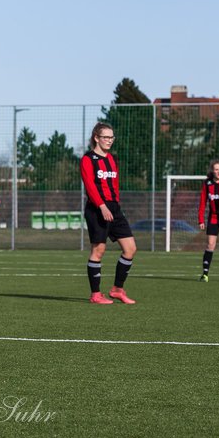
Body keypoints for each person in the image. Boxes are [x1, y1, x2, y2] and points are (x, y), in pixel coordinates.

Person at [79, 122, 137, 304]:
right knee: (99, 250)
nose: (109, 140)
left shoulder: (111, 159)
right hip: (97, 209)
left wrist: (114, 205)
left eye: (112, 137)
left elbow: (114, 186)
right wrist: (102, 206)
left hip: (114, 209)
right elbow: (90, 186)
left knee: (130, 249)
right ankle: (95, 294)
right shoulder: (87, 159)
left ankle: (117, 289)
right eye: (106, 137)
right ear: (96, 138)